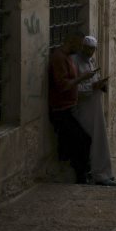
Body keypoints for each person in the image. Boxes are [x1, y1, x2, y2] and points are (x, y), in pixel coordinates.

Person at [48, 31, 95, 184]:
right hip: (61, 110)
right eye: (80, 45)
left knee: (79, 141)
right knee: (83, 140)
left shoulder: (68, 57)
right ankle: (81, 176)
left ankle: (81, 173)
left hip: (69, 107)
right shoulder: (59, 58)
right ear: (71, 41)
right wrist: (82, 78)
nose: (81, 48)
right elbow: (62, 85)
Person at [72, 35, 116, 187]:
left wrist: (100, 85)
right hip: (83, 109)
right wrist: (92, 87)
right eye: (87, 49)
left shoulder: (91, 61)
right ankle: (96, 174)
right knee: (90, 140)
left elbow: (94, 80)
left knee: (100, 140)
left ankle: (103, 173)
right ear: (82, 47)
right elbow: (73, 87)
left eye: (92, 49)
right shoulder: (74, 61)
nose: (90, 52)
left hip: (95, 108)